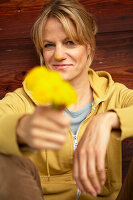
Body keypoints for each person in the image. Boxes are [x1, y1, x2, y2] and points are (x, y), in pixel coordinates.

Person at [0, 0, 133, 199]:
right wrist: (20, 129)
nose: (59, 55)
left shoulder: (115, 94)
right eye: (49, 45)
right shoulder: (22, 100)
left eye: (70, 42)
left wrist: (108, 119)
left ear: (88, 46)